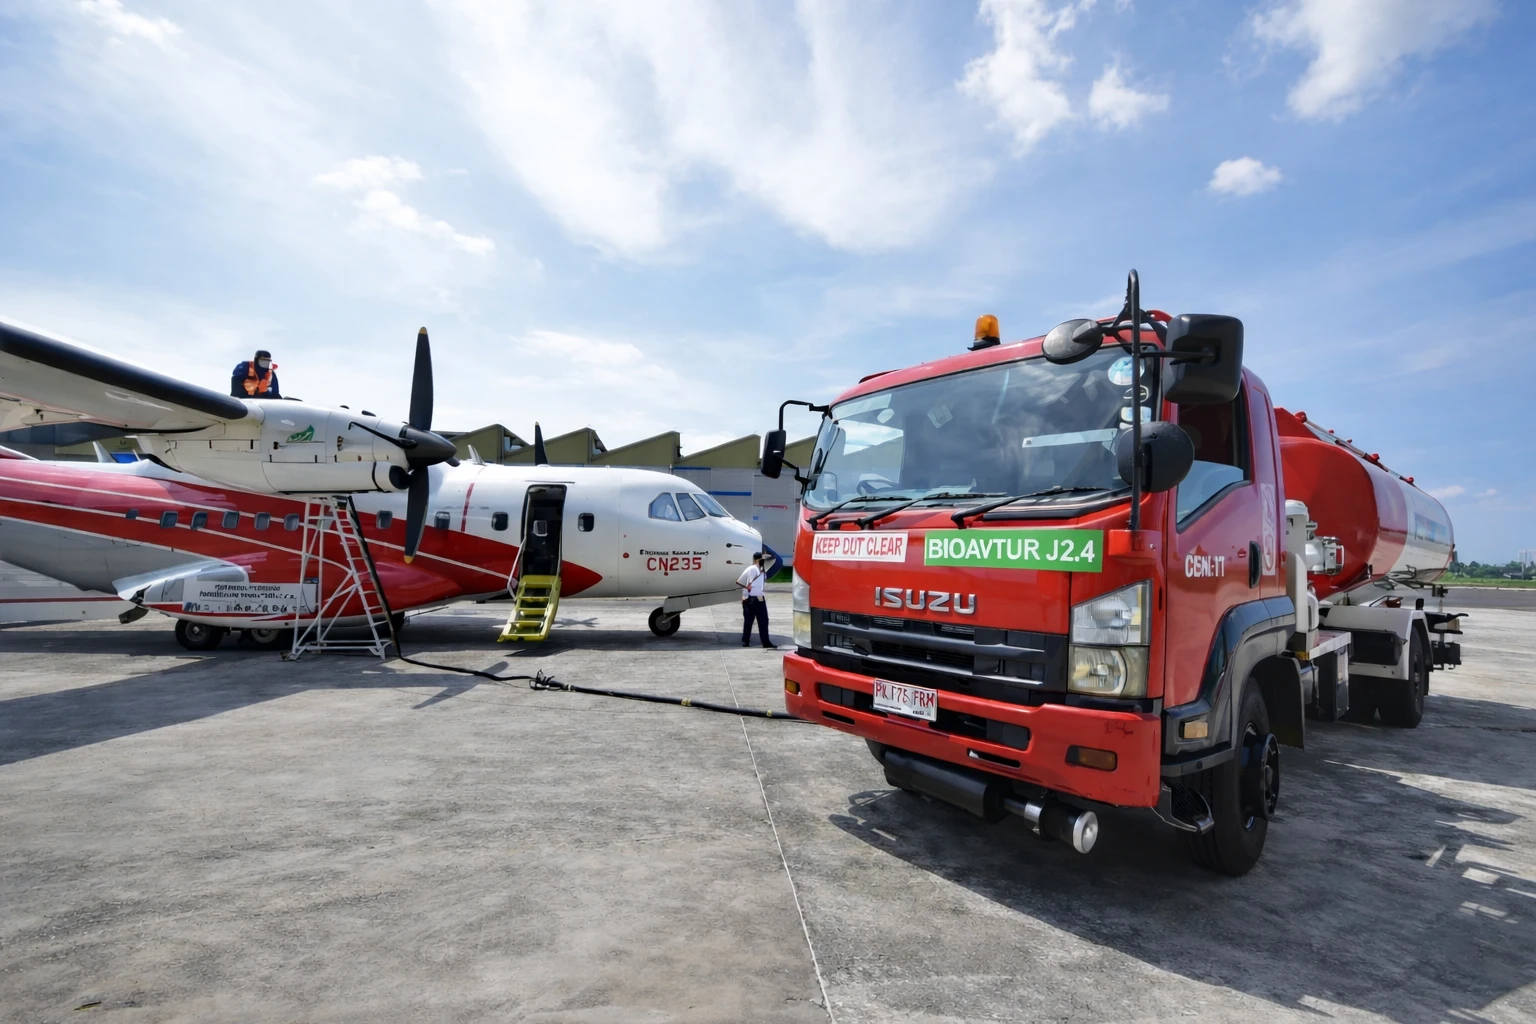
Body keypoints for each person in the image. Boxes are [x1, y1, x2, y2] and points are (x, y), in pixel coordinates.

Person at [737, 551, 775, 649]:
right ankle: (746, 641)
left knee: (763, 621)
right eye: (762, 559)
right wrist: (745, 596)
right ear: (758, 560)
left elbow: (774, 559)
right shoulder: (753, 569)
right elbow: (748, 584)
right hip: (751, 599)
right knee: (749, 621)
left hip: (760, 599)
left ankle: (765, 642)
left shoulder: (761, 570)